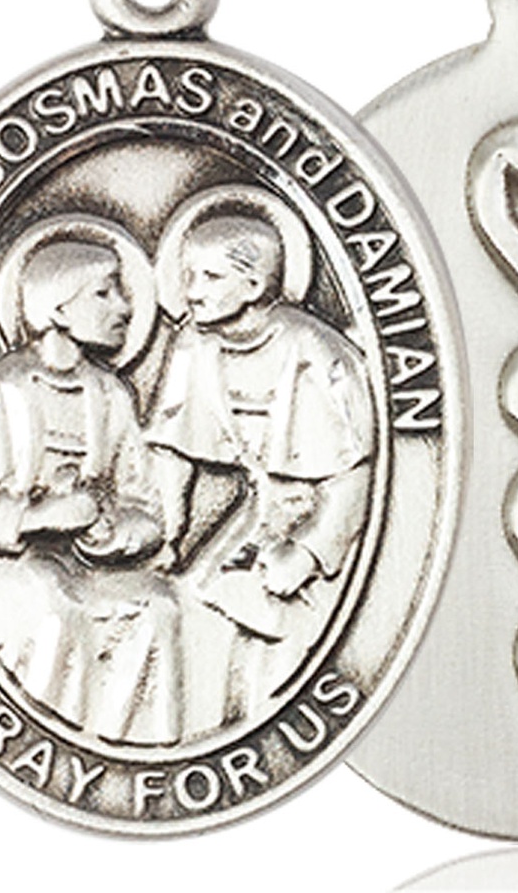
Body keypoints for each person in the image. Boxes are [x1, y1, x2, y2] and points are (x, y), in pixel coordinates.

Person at [0, 238, 180, 744]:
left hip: (83, 568)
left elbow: (144, 504)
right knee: (52, 606)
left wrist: (114, 533)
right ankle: (43, 740)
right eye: (104, 293)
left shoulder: (110, 396)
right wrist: (35, 516)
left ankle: (120, 749)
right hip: (5, 568)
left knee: (158, 605)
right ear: (59, 309)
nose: (125, 307)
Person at [146, 209, 373, 736]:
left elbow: (352, 475)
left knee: (276, 645)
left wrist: (308, 553)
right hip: (258, 517)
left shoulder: (312, 351)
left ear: (252, 285)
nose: (192, 292)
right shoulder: (195, 345)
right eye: (188, 276)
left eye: (210, 277)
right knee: (188, 606)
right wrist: (166, 529)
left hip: (321, 532)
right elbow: (172, 447)